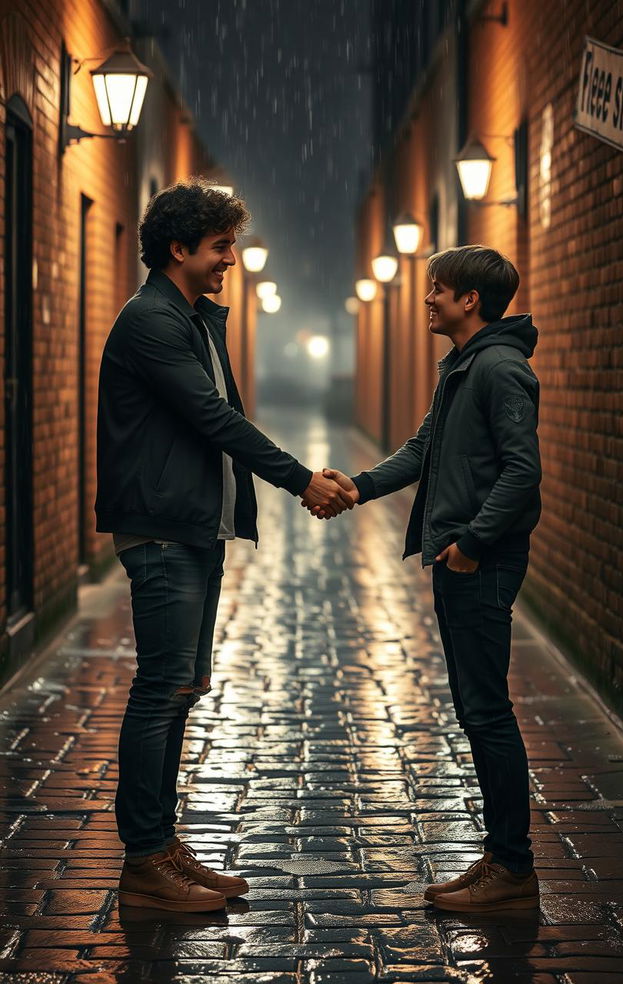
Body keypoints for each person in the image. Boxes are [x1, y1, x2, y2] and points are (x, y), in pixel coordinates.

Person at [95, 178, 353, 912]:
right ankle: (144, 860)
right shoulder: (151, 321)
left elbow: (220, 418)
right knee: (160, 689)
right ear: (177, 248)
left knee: (183, 688)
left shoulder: (192, 319)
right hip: (163, 528)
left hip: (194, 527)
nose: (230, 260)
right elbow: (215, 418)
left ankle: (162, 845)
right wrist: (302, 479)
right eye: (219, 246)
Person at [318, 245, 542, 912]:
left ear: (469, 299)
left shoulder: (499, 369)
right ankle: (501, 858)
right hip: (462, 559)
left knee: (486, 712)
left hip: (480, 562)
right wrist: (356, 487)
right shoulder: (465, 367)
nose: (428, 299)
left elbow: (522, 472)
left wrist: (472, 543)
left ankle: (513, 869)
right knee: (478, 711)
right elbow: (424, 449)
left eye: (437, 289)